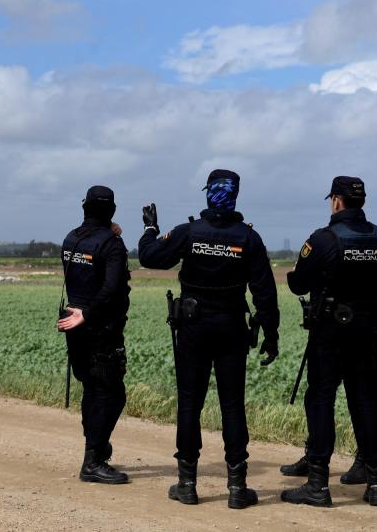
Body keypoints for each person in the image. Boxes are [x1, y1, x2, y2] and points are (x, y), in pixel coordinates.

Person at [138, 169, 280, 509]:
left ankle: (187, 484)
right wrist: (271, 334)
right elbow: (264, 293)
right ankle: (236, 488)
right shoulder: (249, 238)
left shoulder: (189, 233)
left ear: (209, 195)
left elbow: (149, 256)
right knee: (232, 405)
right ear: (235, 196)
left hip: (193, 327)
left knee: (190, 402)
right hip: (231, 329)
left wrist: (150, 228)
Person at [281, 176, 377, 507]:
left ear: (337, 201)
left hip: (331, 335)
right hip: (368, 336)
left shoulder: (324, 240)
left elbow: (297, 283)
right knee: (366, 403)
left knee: (321, 400)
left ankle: (318, 485)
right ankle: (376, 481)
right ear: (361, 202)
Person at [58, 185, 131, 484]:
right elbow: (112, 288)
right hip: (98, 326)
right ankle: (93, 461)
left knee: (91, 387)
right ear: (111, 211)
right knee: (112, 394)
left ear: (84, 208)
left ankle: (97, 447)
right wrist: (89, 315)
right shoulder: (111, 244)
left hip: (71, 321)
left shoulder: (70, 238)